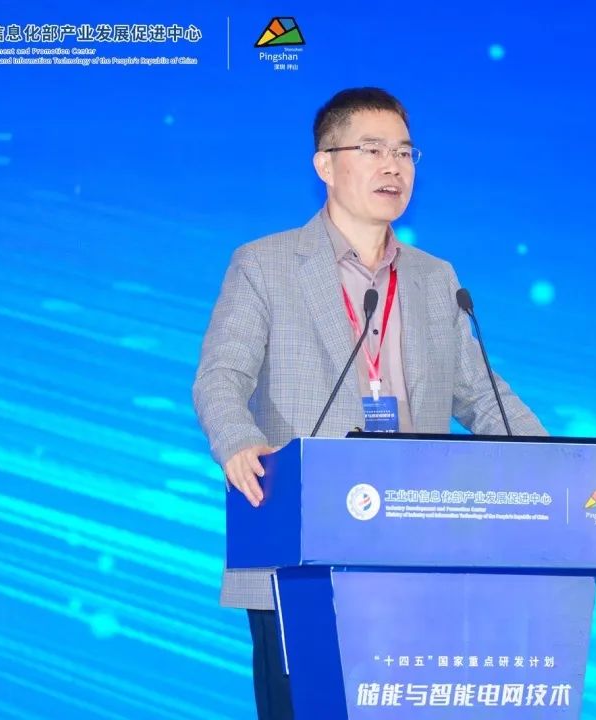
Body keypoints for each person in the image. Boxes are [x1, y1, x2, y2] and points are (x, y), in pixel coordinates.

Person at [192, 87, 546, 720]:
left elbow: (481, 395)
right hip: (302, 547)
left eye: (405, 153)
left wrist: (556, 463)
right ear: (325, 165)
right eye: (373, 150)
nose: (393, 167)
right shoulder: (264, 265)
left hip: (415, 546)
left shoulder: (435, 278)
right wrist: (238, 444)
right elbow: (220, 377)